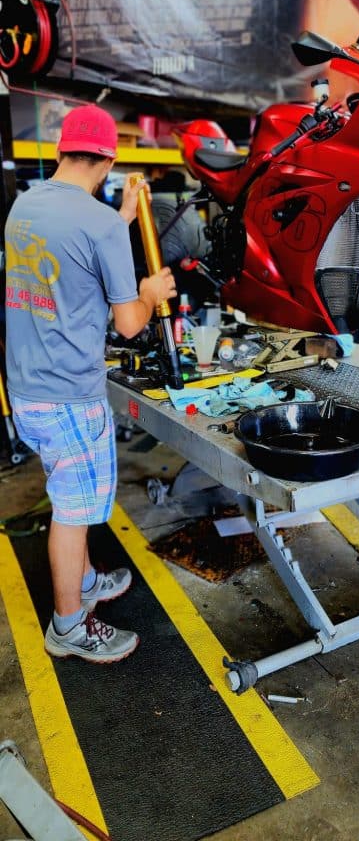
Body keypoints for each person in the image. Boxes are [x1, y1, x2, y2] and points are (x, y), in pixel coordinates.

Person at [4, 104, 177, 664]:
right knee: (73, 513)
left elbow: (68, 253)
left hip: (26, 391)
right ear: (107, 160)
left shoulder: (24, 207)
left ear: (61, 151)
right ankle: (69, 625)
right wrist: (152, 291)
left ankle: (83, 582)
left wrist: (121, 219)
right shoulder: (98, 225)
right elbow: (128, 324)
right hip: (69, 397)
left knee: (66, 494)